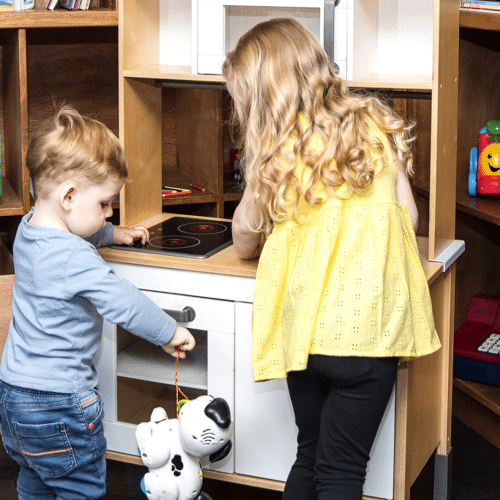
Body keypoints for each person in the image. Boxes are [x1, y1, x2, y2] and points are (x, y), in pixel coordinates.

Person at [223, 18, 441, 500]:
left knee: (310, 453)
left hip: (307, 337)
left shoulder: (276, 150)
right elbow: (407, 214)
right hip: (368, 336)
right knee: (342, 470)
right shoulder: (374, 125)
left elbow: (243, 238)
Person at [0, 106, 196, 500]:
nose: (109, 211)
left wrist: (110, 233)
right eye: (105, 204)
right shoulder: (77, 258)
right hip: (62, 406)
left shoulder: (26, 231)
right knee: (80, 488)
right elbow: (122, 301)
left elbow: (67, 237)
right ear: (70, 195)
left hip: (14, 398)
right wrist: (168, 331)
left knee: (35, 482)